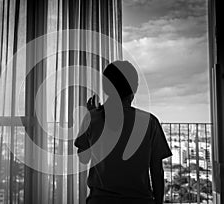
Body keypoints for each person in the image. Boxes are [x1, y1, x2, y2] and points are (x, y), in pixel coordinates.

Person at [74, 60, 172, 204]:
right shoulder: (149, 122)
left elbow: (84, 158)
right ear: (134, 88)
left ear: (106, 88)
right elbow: (157, 171)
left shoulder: (92, 118)